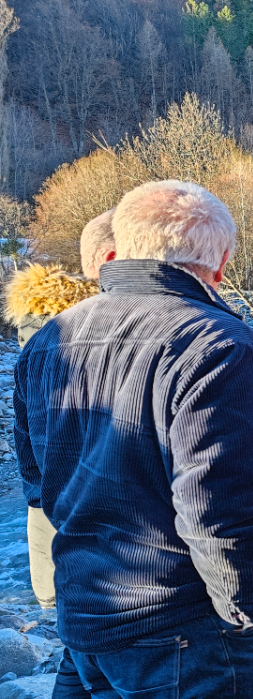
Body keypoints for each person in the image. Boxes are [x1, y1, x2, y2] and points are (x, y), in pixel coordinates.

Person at [13, 180, 253, 699]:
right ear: (221, 263)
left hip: (86, 610)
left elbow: (38, 483)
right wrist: (248, 606)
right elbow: (220, 504)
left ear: (121, 247)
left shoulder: (49, 338)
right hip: (180, 626)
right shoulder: (216, 343)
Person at [5, 208, 116, 611]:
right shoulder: (84, 340)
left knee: (58, 604)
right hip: (100, 500)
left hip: (45, 497)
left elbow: (23, 439)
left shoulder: (28, 350)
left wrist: (36, 493)